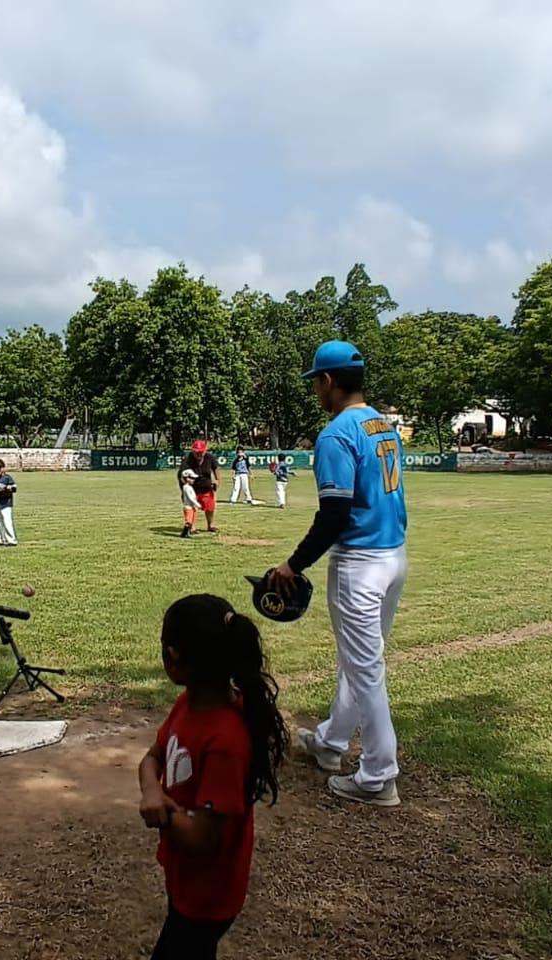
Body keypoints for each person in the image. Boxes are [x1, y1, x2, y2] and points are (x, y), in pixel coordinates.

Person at [267, 340, 408, 807]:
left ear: (328, 381)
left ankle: (378, 776)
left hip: (360, 563)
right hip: (393, 556)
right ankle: (329, 743)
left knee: (366, 668)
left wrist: (292, 564)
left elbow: (333, 516)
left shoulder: (336, 434)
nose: (315, 393)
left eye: (316, 384)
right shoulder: (383, 426)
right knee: (360, 659)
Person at [138, 594, 289, 960]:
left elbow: (204, 838)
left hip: (209, 892)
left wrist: (165, 812)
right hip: (185, 876)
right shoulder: (187, 704)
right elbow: (152, 758)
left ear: (173, 656)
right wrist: (152, 792)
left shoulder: (226, 740)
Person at [179, 440, 220, 533]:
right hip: (192, 489)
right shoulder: (187, 460)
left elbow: (216, 468)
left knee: (210, 507)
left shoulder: (210, 458)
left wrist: (217, 480)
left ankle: (210, 525)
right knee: (191, 507)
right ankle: (191, 527)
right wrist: (185, 485)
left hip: (206, 488)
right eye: (196, 452)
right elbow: (181, 475)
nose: (199, 454)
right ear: (193, 451)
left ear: (205, 451)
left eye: (201, 452)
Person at [0, 458, 18, 546]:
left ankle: (11, 540)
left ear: (3, 468)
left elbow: (14, 488)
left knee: (7, 522)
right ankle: (0, 539)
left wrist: (8, 488)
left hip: (6, 504)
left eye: (0, 467)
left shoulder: (7, 478)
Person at [178, 468, 202, 538]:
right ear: (186, 478)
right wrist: (197, 504)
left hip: (192, 507)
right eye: (191, 478)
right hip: (188, 507)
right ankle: (184, 533)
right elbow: (190, 498)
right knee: (188, 521)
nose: (193, 480)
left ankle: (188, 532)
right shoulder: (186, 487)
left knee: (192, 520)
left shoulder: (189, 487)